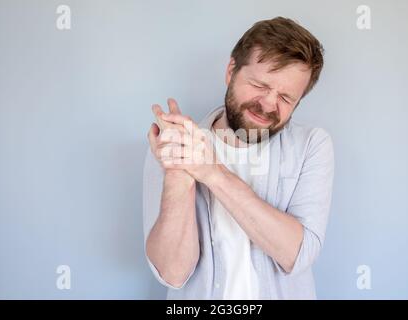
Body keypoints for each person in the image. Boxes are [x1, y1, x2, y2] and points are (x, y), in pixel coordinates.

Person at [143, 16, 334, 299]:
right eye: (259, 85)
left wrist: (212, 173)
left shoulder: (312, 146)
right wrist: (178, 175)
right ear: (231, 71)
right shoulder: (175, 145)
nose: (269, 104)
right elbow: (173, 273)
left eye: (286, 98)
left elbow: (297, 254)